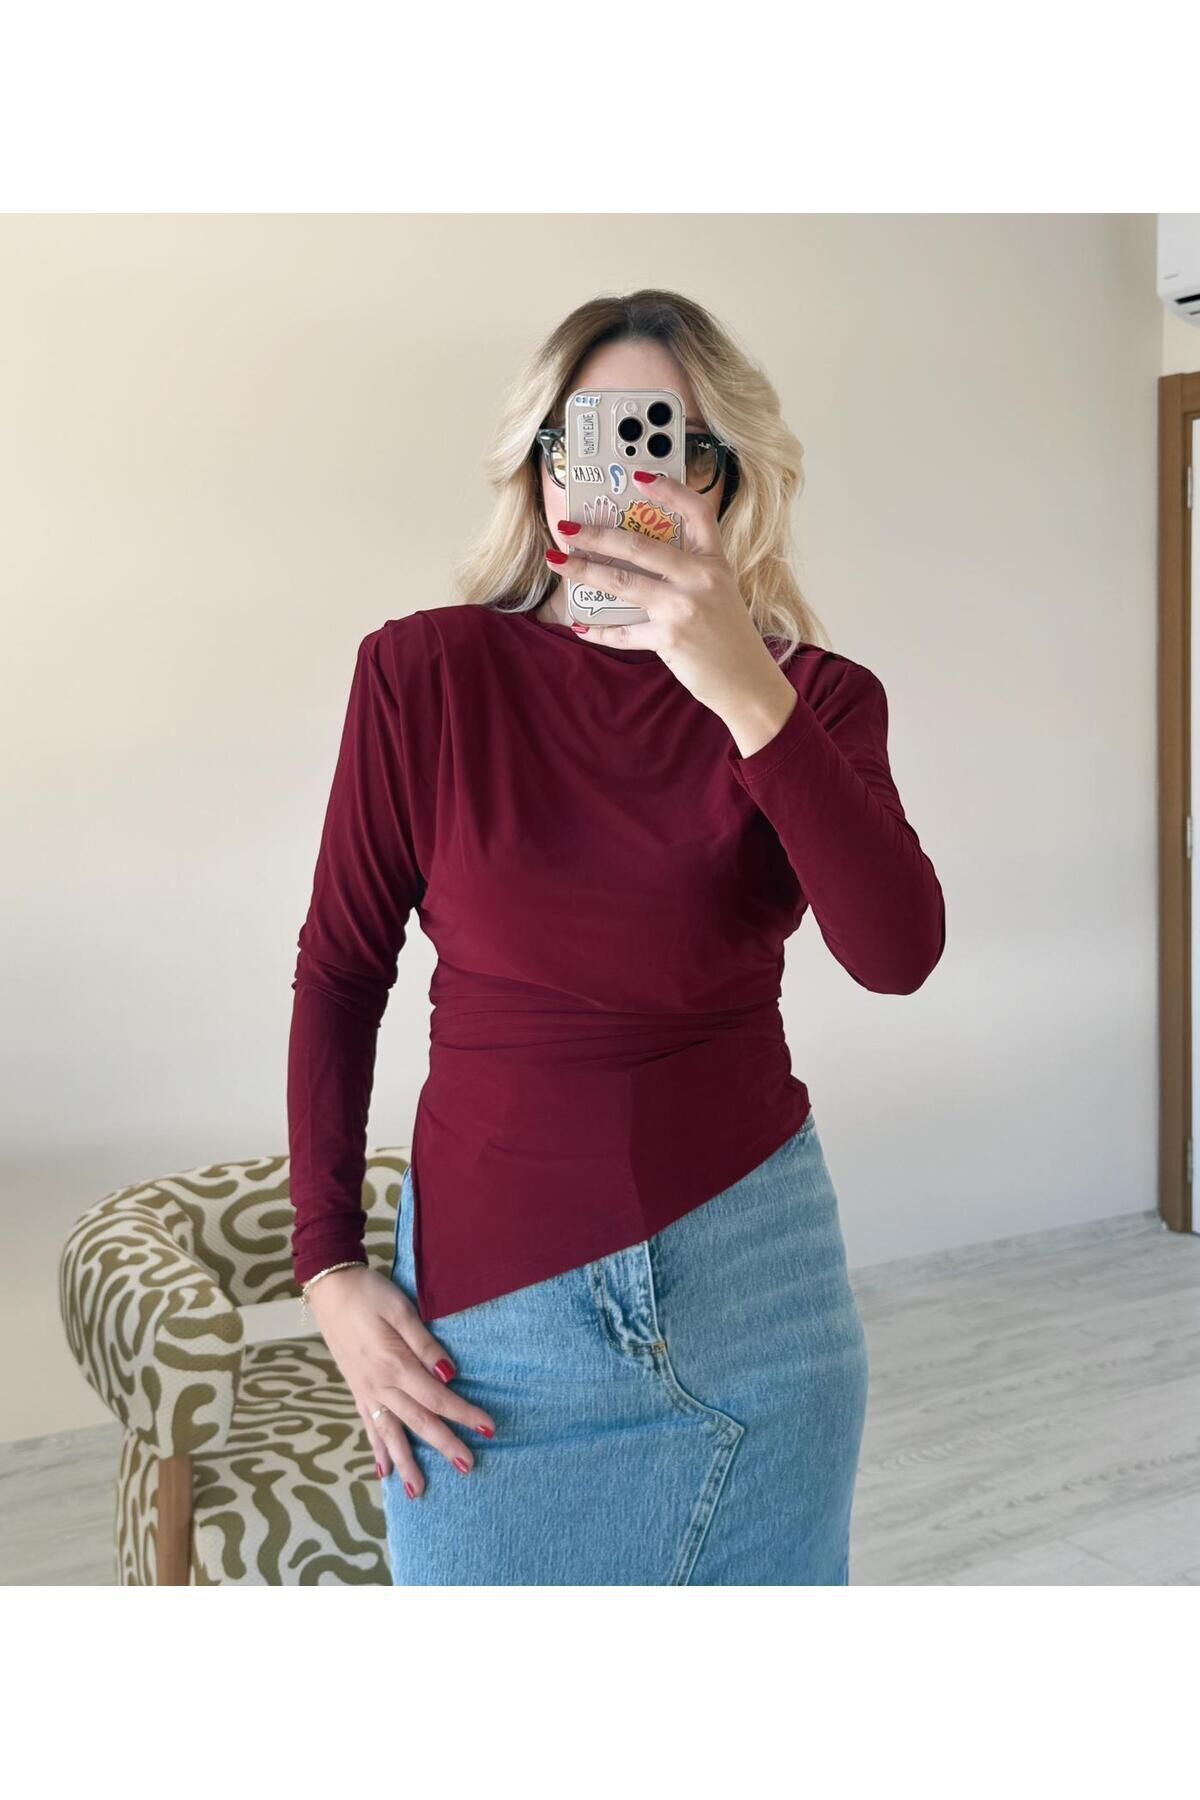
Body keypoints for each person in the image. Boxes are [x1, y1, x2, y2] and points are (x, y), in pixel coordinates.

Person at [287, 287, 946, 1584]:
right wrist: (326, 1268)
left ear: (722, 480)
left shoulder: (814, 700)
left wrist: (745, 688)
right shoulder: (424, 677)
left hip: (761, 1295)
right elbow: (342, 971)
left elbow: (897, 953)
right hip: (495, 1334)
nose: (625, 478)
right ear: (542, 478)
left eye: (667, 444)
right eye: (586, 443)